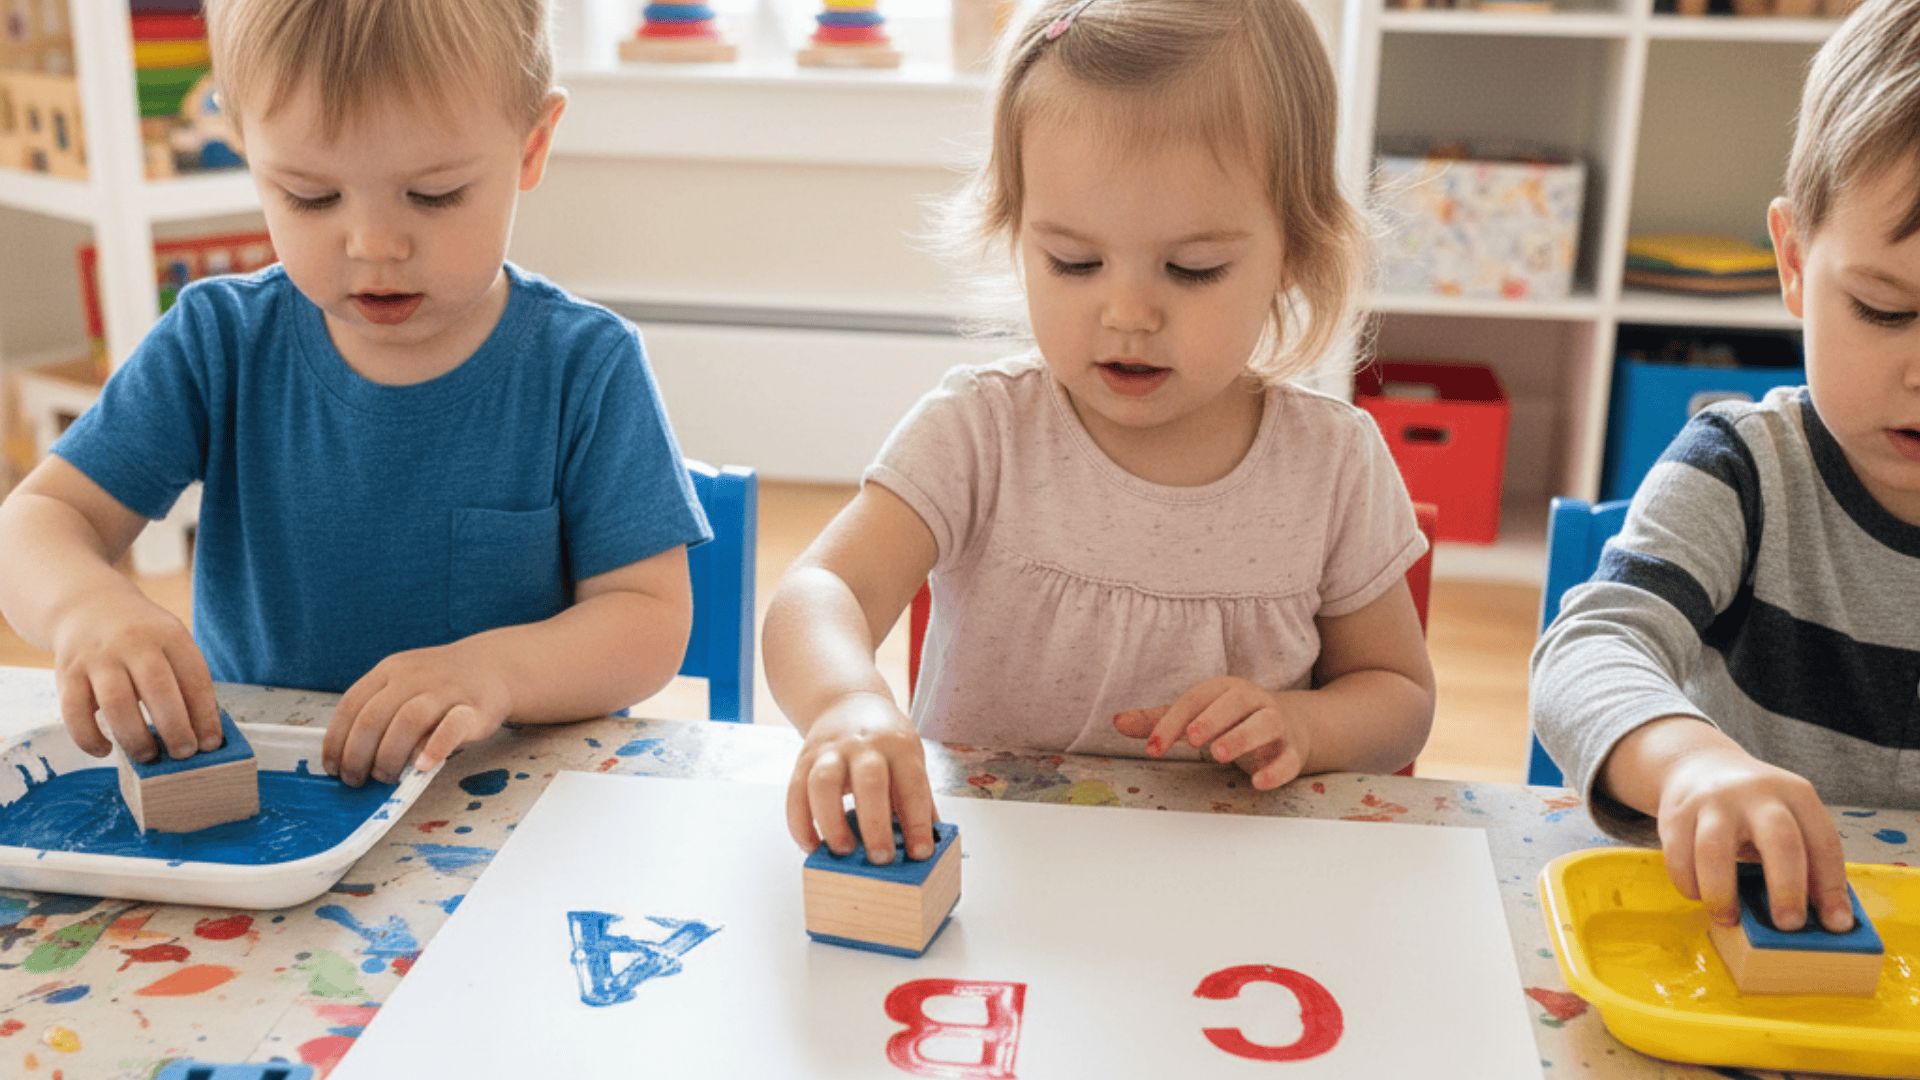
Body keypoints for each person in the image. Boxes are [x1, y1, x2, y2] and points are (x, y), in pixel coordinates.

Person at [766, 0, 1435, 866]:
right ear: (1017, 237)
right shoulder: (981, 432)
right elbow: (819, 591)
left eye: (1193, 269)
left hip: (1234, 882)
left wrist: (1307, 724)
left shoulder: (1333, 465)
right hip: (1003, 878)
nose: (1127, 313)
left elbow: (1398, 696)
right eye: (1074, 262)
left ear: (1294, 253)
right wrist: (845, 703)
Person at [0, 0, 708, 789]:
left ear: (531, 146)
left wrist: (498, 671)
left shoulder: (585, 366)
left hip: (506, 794)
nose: (376, 245)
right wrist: (84, 609)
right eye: (312, 197)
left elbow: (647, 619)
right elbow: (37, 519)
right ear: (245, 147)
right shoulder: (218, 342)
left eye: (434, 194)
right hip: (266, 796)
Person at [1532, 0, 1920, 939]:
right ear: (1793, 262)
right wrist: (1688, 763)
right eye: (1885, 310)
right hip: (1735, 930)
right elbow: (1588, 651)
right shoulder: (1743, 471)